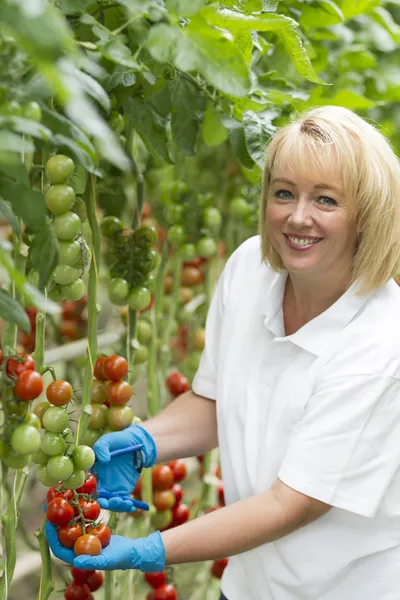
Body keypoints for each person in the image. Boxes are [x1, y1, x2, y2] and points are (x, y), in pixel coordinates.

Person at [46, 106, 400, 600]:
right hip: (250, 583)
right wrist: (143, 441)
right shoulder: (249, 270)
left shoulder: (382, 344)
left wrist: (150, 548)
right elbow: (217, 400)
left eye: (326, 200)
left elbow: (288, 504)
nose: (298, 216)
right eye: (284, 192)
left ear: (369, 213)